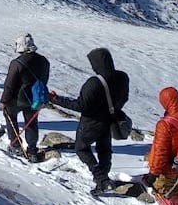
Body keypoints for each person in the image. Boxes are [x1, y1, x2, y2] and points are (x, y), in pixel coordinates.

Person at [49, 48, 129, 196]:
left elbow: (80, 106)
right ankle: (103, 181)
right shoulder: (122, 77)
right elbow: (124, 98)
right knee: (104, 150)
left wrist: (55, 99)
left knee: (81, 148)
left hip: (91, 122)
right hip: (109, 120)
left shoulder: (94, 83)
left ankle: (102, 180)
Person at [0, 34, 50, 161]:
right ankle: (32, 150)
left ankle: (16, 145)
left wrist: (4, 101)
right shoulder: (44, 61)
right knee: (31, 123)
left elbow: (9, 85)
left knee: (10, 116)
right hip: (35, 98)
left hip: (17, 99)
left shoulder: (17, 63)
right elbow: (44, 79)